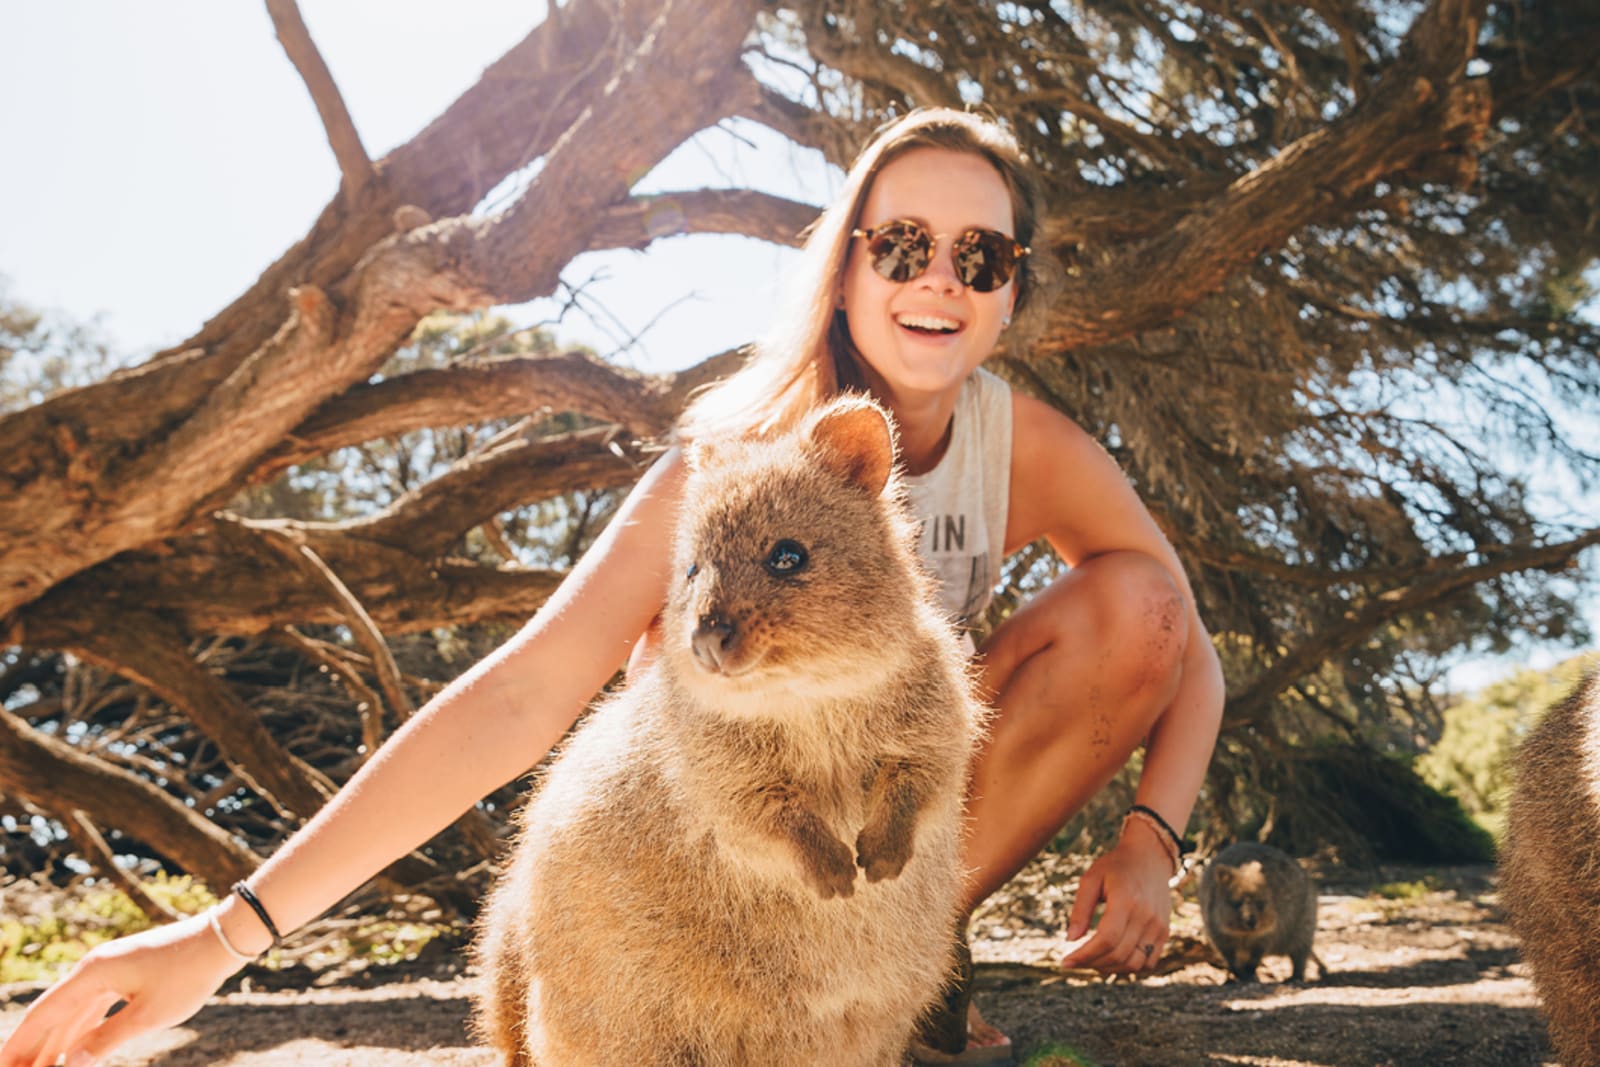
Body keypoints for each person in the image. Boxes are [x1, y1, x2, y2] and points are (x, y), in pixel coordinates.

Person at [0, 107, 1224, 1067]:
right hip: (712, 865)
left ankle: (902, 971)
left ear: (1013, 284)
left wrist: (1149, 837)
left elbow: (1183, 642)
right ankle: (792, 993)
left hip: (883, 841)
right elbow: (529, 688)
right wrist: (221, 938)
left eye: (982, 254)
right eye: (902, 244)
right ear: (847, 263)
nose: (940, 279)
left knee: (1136, 604)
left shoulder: (1028, 445)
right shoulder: (738, 461)